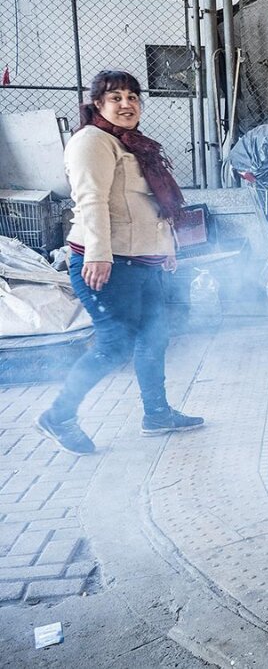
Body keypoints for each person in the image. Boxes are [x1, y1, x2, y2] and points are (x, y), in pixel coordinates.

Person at [36, 70, 204, 455]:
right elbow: (90, 199)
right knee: (115, 344)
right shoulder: (91, 141)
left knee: (155, 336)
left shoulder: (133, 145)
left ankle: (157, 415)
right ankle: (58, 416)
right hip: (105, 263)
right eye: (116, 98)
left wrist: (168, 245)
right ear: (98, 104)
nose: (127, 105)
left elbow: (152, 205)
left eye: (133, 97)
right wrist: (98, 253)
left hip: (141, 260)